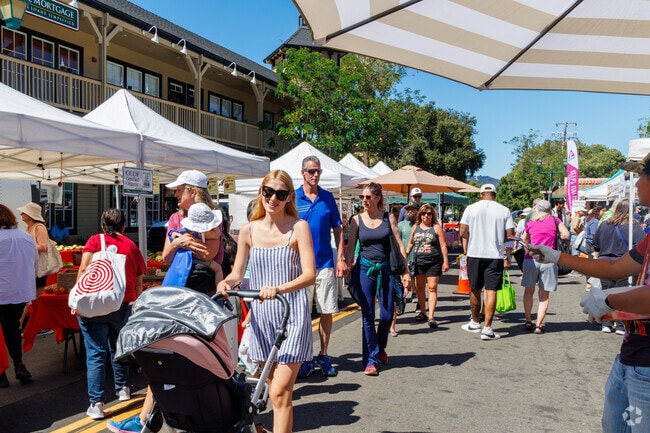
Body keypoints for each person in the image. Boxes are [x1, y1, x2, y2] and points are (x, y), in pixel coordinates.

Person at [531, 152, 650, 433]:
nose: (636, 185)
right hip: (631, 355)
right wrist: (557, 257)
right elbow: (614, 268)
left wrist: (607, 301)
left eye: (641, 177)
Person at [108, 169, 222, 433]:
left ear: (193, 191)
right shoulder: (175, 218)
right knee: (164, 355)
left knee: (178, 357)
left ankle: (153, 418)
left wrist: (183, 240)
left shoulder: (212, 216)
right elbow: (167, 255)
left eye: (179, 190)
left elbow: (209, 253)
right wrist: (182, 241)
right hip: (176, 294)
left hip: (198, 298)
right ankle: (148, 418)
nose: (176, 195)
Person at [217, 169, 316, 433]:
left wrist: (279, 289)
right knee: (272, 389)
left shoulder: (299, 227)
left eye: (280, 194)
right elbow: (238, 272)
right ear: (261, 192)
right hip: (262, 319)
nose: (273, 198)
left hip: (291, 316)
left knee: (281, 392)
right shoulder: (248, 230)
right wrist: (226, 283)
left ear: (289, 197)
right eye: (268, 192)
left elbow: (309, 274)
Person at [76, 208, 145, 420]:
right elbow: (139, 281)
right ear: (124, 226)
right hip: (122, 303)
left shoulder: (95, 241)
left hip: (95, 304)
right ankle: (123, 389)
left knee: (96, 353)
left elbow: (83, 270)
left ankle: (96, 403)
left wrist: (77, 298)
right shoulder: (132, 246)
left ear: (102, 225)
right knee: (119, 347)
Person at [344, 182, 411, 376]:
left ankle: (380, 347)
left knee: (387, 315)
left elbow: (399, 245)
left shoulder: (388, 217)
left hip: (386, 270)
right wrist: (346, 266)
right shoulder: (356, 220)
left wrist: (406, 272)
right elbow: (350, 248)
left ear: (377, 198)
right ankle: (370, 360)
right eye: (362, 197)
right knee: (367, 315)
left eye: (368, 197)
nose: (364, 201)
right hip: (364, 269)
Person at [296, 156, 347, 378]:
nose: (315, 175)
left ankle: (324, 355)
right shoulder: (292, 197)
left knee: (326, 310)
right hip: (299, 265)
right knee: (303, 314)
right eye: (311, 171)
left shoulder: (327, 198)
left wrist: (341, 258)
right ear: (303, 173)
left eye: (318, 171)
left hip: (325, 262)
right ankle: (306, 357)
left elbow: (338, 228)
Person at [458, 183, 515, 341]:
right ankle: (487, 328)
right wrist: (498, 239)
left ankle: (475, 322)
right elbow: (510, 235)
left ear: (481, 194)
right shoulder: (504, 210)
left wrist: (473, 237)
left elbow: (462, 231)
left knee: (475, 289)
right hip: (494, 255)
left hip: (475, 253)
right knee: (491, 291)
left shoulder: (471, 209)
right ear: (495, 195)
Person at [592, 199, 645, 335]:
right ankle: (621, 325)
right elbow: (642, 247)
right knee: (622, 295)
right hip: (625, 264)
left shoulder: (604, 224)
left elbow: (596, 244)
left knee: (607, 293)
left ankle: (606, 323)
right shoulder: (634, 227)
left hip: (604, 262)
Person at [0, 204, 37, 387]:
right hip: (19, 292)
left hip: (2, 291)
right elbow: (34, 265)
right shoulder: (26, 237)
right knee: (12, 330)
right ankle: (19, 364)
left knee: (4, 332)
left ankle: (1, 374)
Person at [520, 200, 570, 334]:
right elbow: (566, 234)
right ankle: (538, 325)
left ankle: (528, 320)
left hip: (531, 259)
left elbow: (523, 240)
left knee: (528, 291)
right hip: (549, 259)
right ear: (549, 210)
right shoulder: (555, 220)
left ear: (537, 210)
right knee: (544, 295)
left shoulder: (530, 223)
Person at [162, 202, 223, 293]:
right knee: (218, 269)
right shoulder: (212, 231)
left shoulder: (187, 231)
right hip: (195, 262)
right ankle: (219, 290)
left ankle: (219, 290)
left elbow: (174, 234)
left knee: (218, 269)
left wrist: (177, 237)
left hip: (197, 262)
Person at [405, 204, 449, 328]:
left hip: (433, 261)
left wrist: (445, 261)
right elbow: (410, 244)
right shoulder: (415, 227)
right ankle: (423, 312)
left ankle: (431, 316)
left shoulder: (436, 228)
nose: (426, 216)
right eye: (424, 213)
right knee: (419, 287)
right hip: (419, 261)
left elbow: (443, 245)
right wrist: (404, 256)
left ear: (432, 215)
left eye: (429, 214)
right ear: (420, 215)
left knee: (432, 287)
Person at [17, 202, 49, 298]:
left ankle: (35, 311)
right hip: (29, 264)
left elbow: (43, 246)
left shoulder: (39, 227)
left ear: (30, 215)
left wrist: (25, 247)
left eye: (24, 212)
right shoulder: (27, 228)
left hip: (38, 265)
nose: (21, 214)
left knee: (37, 291)